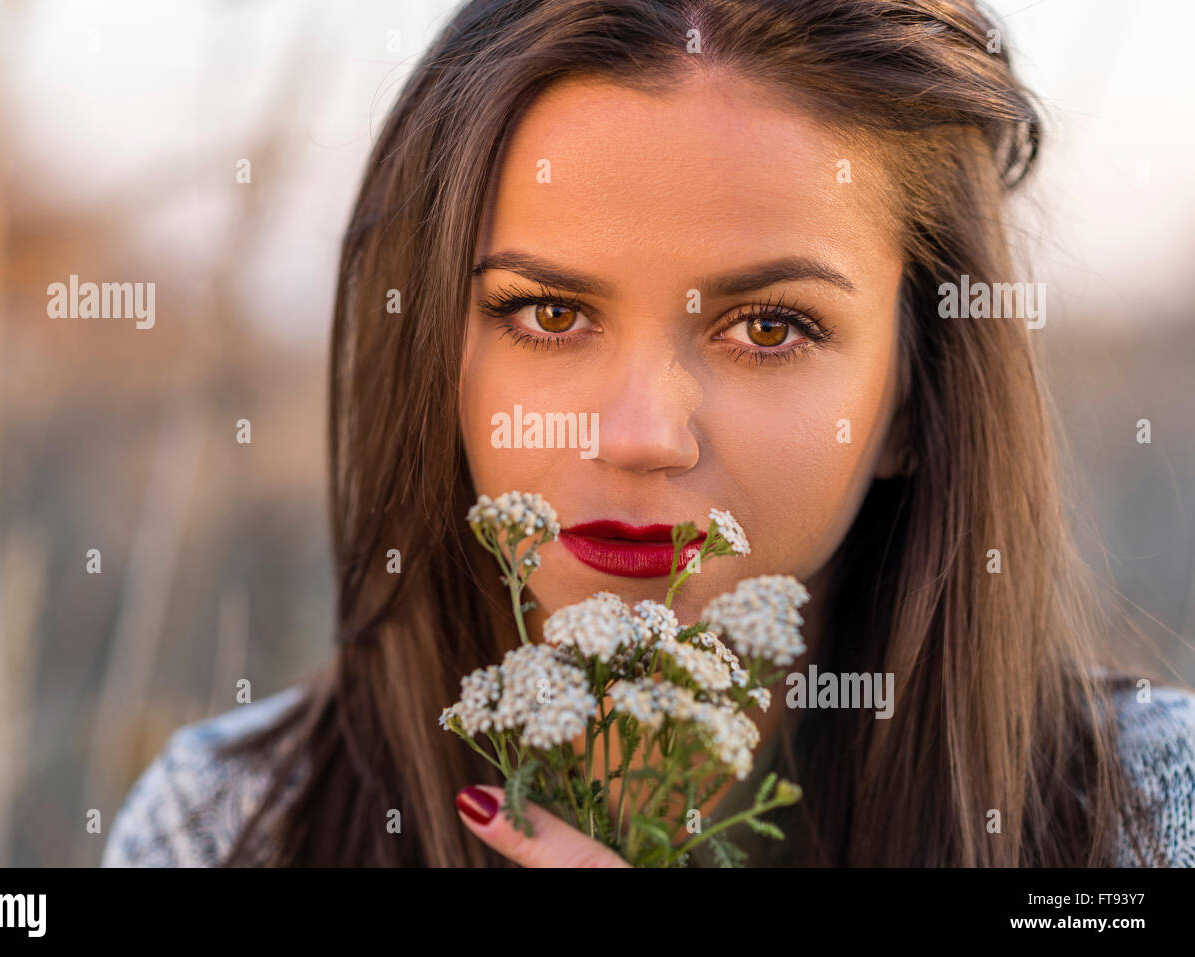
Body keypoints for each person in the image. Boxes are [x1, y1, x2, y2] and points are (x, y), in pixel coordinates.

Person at [102, 0, 1195, 868]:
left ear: (918, 394)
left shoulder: (1149, 815)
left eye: (767, 327)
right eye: (547, 313)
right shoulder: (231, 827)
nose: (638, 436)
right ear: (430, 349)